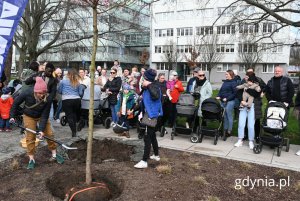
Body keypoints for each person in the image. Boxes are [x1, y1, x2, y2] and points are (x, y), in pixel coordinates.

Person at [10, 77, 64, 169]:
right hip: (28, 116)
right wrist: (12, 116)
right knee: (30, 137)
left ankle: (54, 154)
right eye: (39, 93)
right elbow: (15, 103)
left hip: (41, 116)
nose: (41, 95)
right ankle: (31, 159)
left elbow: (44, 115)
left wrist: (41, 130)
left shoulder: (48, 98)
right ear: (35, 92)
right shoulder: (27, 92)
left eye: (43, 93)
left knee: (50, 134)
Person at [134, 68, 163, 169]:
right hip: (148, 113)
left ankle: (144, 161)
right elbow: (143, 101)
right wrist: (134, 110)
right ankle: (156, 155)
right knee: (152, 135)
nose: (142, 79)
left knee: (147, 137)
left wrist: (148, 85)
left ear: (148, 79)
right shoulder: (148, 87)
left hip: (152, 114)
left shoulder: (154, 86)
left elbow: (155, 96)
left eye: (144, 78)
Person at [234, 74, 261, 149]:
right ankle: (240, 139)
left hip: (251, 106)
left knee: (251, 125)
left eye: (250, 80)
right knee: (241, 124)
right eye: (247, 79)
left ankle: (251, 141)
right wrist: (242, 101)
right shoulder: (244, 85)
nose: (249, 81)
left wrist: (248, 90)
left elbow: (257, 94)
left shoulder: (256, 86)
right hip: (243, 105)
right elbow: (238, 92)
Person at [57, 68, 85, 137]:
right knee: (75, 115)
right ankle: (79, 122)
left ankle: (73, 132)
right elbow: (80, 93)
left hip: (67, 100)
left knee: (69, 116)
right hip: (76, 100)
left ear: (68, 74)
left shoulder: (62, 81)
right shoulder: (77, 82)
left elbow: (59, 91)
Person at [216, 70, 237, 137]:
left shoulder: (233, 83)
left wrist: (227, 99)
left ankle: (229, 131)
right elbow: (221, 90)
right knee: (224, 116)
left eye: (227, 74)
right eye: (225, 74)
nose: (226, 75)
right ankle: (225, 130)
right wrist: (218, 96)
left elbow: (235, 93)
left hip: (230, 101)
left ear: (231, 75)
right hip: (223, 100)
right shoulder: (225, 82)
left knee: (229, 115)